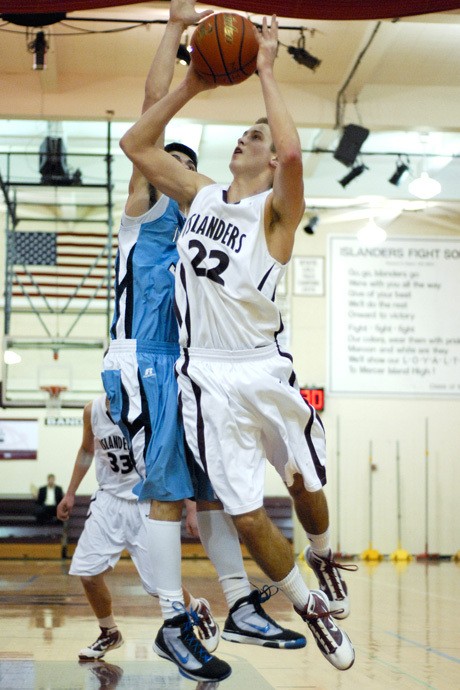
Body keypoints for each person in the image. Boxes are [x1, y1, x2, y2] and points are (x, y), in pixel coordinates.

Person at [120, 14, 356, 671]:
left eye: (257, 132)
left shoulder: (277, 214)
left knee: (303, 481)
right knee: (247, 516)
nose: (250, 136)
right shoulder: (201, 199)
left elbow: (291, 156)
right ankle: (313, 613)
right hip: (205, 379)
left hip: (263, 369)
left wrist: (269, 70)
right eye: (246, 131)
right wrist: (193, 81)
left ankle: (326, 551)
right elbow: (136, 144)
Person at [57, 395, 219, 661]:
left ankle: (197, 609)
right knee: (88, 573)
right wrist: (71, 493)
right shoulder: (93, 410)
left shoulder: (150, 404)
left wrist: (191, 507)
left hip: (147, 500)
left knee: (159, 586)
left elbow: (177, 455)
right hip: (108, 499)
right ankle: (109, 631)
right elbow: (87, 450)